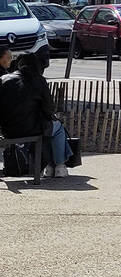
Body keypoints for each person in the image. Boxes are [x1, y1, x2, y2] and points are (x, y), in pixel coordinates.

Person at [0, 47, 71, 178]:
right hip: (31, 129)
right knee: (58, 128)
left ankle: (50, 166)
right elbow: (49, 108)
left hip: (7, 130)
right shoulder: (39, 81)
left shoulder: (3, 79)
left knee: (50, 127)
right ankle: (59, 166)